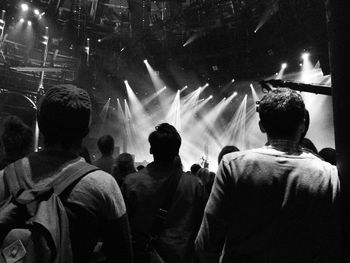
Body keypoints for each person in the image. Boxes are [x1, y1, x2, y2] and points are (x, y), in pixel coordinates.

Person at [195, 88, 340, 263]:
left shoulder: (232, 165)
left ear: (262, 125)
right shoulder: (328, 173)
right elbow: (333, 242)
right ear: (303, 124)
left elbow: (206, 244)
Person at [0, 84, 133, 263]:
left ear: (40, 122)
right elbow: (122, 255)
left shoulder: (4, 177)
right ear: (86, 130)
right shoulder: (103, 185)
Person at [122, 123, 207, 263]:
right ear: (177, 152)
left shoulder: (131, 183)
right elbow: (202, 228)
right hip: (182, 257)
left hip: (143, 256)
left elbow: (124, 229)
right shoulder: (195, 185)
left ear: (151, 149)